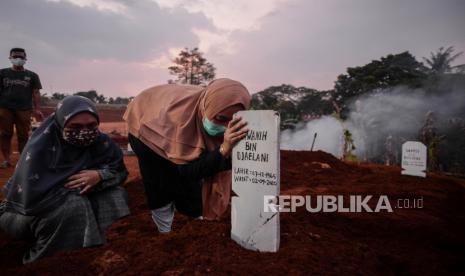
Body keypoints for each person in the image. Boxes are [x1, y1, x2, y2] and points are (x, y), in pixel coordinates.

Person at [0, 96, 130, 263]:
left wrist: (98, 176)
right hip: (24, 213)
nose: (84, 131)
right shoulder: (40, 149)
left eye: (91, 126)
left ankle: (100, 251)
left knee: (115, 195)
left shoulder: (101, 143)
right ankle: (45, 261)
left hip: (73, 199)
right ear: (61, 123)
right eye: (75, 126)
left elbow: (118, 170)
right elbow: (32, 197)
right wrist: (80, 186)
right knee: (74, 205)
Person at [124, 78, 250, 233]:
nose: (226, 127)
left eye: (232, 121)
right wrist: (224, 148)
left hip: (172, 120)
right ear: (206, 109)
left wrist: (224, 154)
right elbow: (189, 171)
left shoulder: (210, 107)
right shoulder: (180, 122)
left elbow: (211, 162)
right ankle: (164, 229)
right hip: (145, 128)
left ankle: (194, 215)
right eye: (221, 119)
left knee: (193, 177)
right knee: (160, 180)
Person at [0, 48, 43, 168]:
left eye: (21, 57)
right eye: (15, 56)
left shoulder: (32, 76)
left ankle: (22, 161)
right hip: (5, 108)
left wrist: (37, 109)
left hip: (24, 109)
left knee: (23, 135)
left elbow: (36, 92)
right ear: (10, 58)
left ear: (25, 59)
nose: (18, 59)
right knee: (5, 134)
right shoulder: (2, 73)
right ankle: (7, 160)